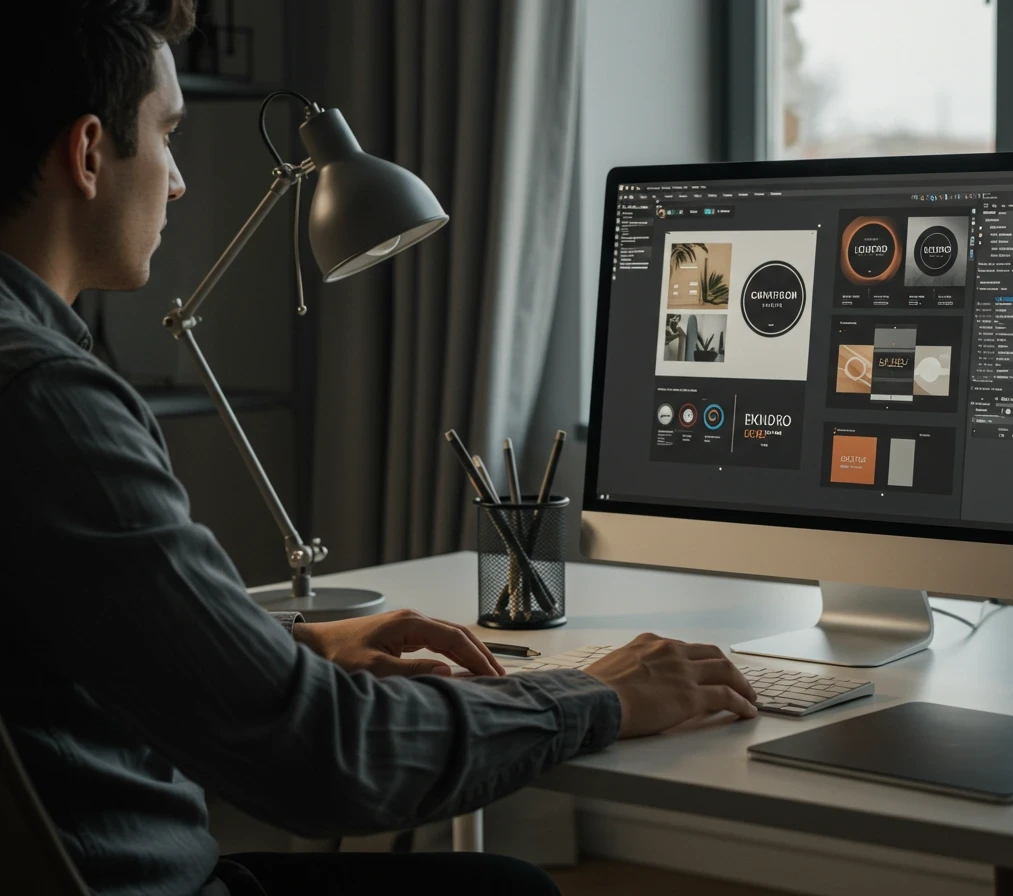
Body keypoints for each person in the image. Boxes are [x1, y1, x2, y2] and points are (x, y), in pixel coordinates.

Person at [0, 3, 758, 895]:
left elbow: (67, 646)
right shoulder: (47, 402)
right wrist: (599, 695)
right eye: (167, 135)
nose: (178, 183)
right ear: (88, 153)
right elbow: (320, 761)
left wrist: (295, 652)